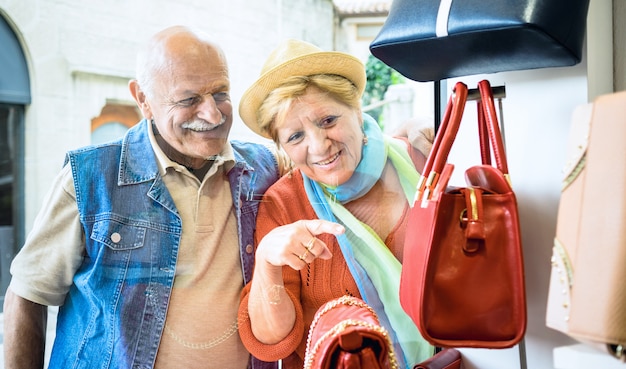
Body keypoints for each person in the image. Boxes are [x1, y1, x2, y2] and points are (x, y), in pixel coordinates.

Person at [2, 26, 290, 369]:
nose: (212, 115)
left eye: (220, 93)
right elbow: (28, 294)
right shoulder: (90, 176)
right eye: (189, 99)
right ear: (143, 100)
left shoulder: (266, 168)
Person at [236, 39, 434, 369]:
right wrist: (268, 263)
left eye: (328, 120)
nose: (319, 145)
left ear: (357, 110)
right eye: (295, 136)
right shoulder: (283, 204)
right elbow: (272, 341)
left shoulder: (418, 156)